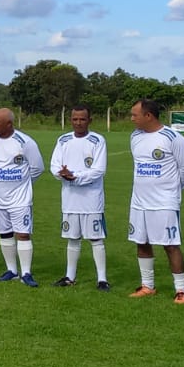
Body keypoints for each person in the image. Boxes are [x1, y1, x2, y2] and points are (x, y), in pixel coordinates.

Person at [128, 98, 184, 303]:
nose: (131, 119)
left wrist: (171, 191)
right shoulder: (135, 137)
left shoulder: (173, 138)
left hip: (164, 202)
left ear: (148, 116)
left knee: (170, 245)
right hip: (139, 202)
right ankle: (147, 285)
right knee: (142, 242)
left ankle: (181, 290)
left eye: (134, 115)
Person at [0, 108, 46, 287]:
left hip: (20, 198)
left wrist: (22, 184)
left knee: (23, 234)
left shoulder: (25, 142)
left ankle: (26, 273)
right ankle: (12, 271)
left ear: (9, 124)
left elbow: (37, 168)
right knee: (4, 233)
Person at [49, 105, 110, 290]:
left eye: (82, 119)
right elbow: (54, 166)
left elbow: (98, 170)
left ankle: (102, 279)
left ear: (89, 120)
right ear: (70, 120)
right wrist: (62, 174)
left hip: (91, 199)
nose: (78, 122)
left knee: (95, 238)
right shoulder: (63, 140)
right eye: (75, 119)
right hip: (70, 199)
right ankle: (69, 276)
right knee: (72, 238)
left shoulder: (98, 140)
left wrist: (74, 176)